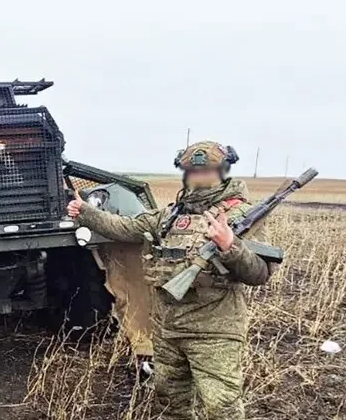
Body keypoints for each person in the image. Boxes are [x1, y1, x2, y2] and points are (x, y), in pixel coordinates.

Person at [67, 141, 275, 420]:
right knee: (169, 404)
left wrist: (230, 247)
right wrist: (86, 212)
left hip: (214, 332)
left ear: (223, 171)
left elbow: (259, 274)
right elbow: (125, 228)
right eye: (193, 170)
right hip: (168, 330)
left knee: (221, 408)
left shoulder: (241, 216)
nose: (199, 177)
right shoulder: (170, 215)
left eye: (207, 171)